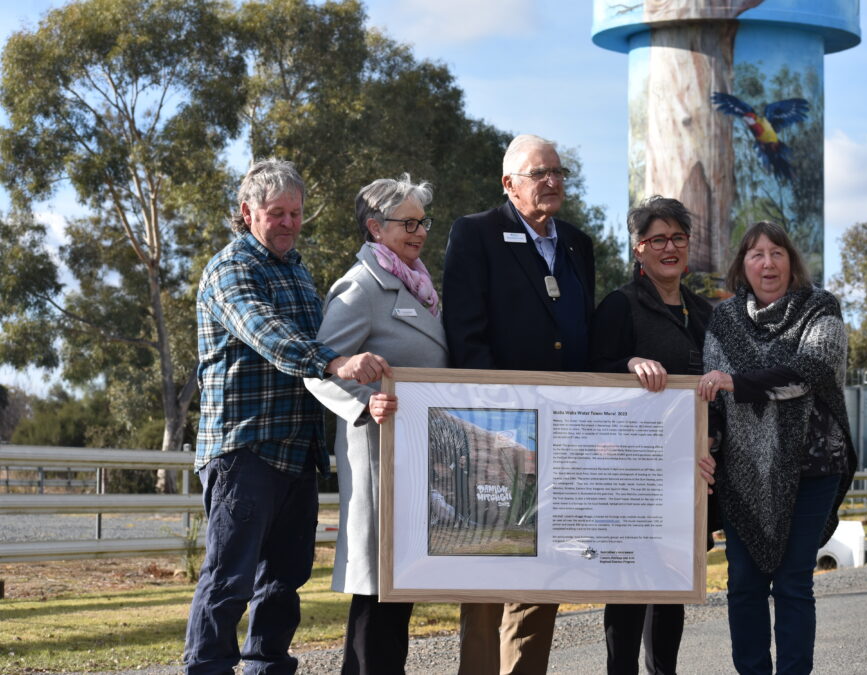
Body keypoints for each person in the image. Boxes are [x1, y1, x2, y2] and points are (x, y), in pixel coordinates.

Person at [185, 159, 390, 674]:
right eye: (277, 213)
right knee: (229, 579)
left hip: (297, 452)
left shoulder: (298, 272)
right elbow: (269, 335)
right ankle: (206, 667)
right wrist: (336, 363)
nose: (288, 224)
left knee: (283, 582)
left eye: (295, 213)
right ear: (246, 212)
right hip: (244, 450)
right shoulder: (230, 269)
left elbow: (327, 338)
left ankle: (266, 668)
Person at [442, 134, 595, 675]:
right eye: (538, 173)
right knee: (490, 564)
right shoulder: (476, 233)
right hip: (498, 430)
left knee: (542, 572)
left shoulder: (578, 243)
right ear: (509, 184)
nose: (551, 181)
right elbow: (466, 335)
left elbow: (582, 336)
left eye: (557, 171)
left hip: (563, 434)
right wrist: (502, 425)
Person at [697, 221, 857, 675]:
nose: (767, 263)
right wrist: (707, 442)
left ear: (792, 261)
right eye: (756, 254)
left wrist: (739, 382)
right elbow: (713, 398)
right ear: (742, 266)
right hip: (742, 469)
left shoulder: (820, 308)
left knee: (791, 583)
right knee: (744, 584)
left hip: (812, 467)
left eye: (777, 253)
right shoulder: (724, 321)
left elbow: (811, 369)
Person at [304, 174, 447, 674]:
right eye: (407, 222)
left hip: (419, 458)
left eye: (422, 221)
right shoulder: (360, 286)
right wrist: (367, 404)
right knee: (377, 594)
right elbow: (318, 371)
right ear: (374, 227)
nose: (420, 231)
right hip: (380, 459)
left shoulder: (420, 284)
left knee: (397, 595)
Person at [589, 196, 713, 675]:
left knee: (670, 590)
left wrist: (709, 447)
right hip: (629, 475)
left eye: (678, 238)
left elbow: (715, 388)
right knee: (628, 588)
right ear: (638, 249)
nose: (669, 247)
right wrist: (628, 364)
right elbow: (592, 377)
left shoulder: (705, 314)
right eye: (657, 239)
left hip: (687, 473)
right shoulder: (619, 307)